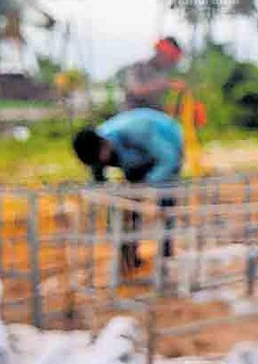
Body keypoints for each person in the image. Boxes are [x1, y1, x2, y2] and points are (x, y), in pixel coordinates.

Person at [73, 108, 183, 270]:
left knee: (165, 200)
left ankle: (165, 253)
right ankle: (129, 255)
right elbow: (99, 179)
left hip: (165, 146)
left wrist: (148, 183)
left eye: (99, 160)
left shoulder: (138, 132)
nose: (100, 164)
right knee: (126, 205)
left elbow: (169, 158)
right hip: (133, 157)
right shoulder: (95, 147)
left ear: (104, 145)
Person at [122, 37, 184, 111]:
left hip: (151, 118)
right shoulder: (138, 68)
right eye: (170, 58)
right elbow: (137, 90)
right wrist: (166, 84)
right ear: (161, 52)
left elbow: (156, 107)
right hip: (132, 117)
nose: (170, 63)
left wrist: (180, 109)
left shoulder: (161, 76)